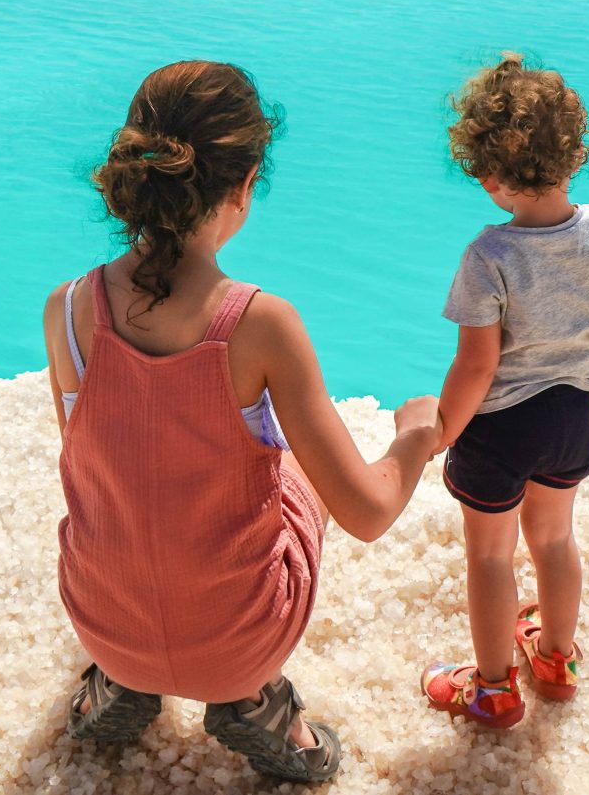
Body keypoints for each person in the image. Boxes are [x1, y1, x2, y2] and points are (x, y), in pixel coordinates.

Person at [46, 60, 440, 783]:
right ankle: (260, 706)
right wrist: (415, 440)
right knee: (294, 469)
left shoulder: (68, 308)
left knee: (123, 473)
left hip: (103, 619)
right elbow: (369, 509)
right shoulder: (261, 324)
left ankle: (120, 681)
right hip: (239, 644)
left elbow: (89, 460)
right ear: (244, 183)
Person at [419, 53, 589, 729]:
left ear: (490, 178)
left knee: (490, 554)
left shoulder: (491, 254)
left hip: (499, 429)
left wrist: (442, 429)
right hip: (573, 418)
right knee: (554, 540)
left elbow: (477, 365)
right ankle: (554, 657)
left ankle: (492, 689)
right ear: (576, 153)